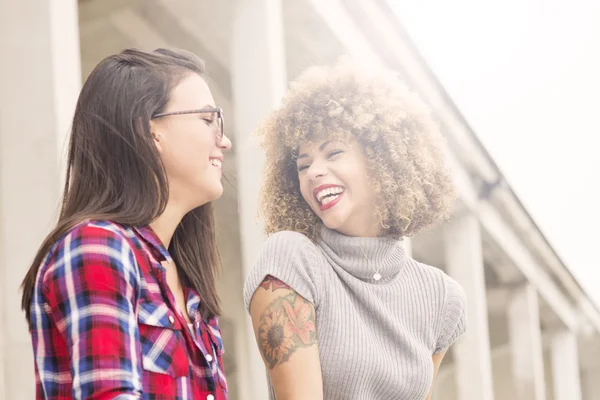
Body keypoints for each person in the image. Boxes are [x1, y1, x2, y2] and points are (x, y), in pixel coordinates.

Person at [244, 60, 467, 400]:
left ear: (384, 159)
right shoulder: (291, 260)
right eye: (303, 165)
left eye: (334, 152)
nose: (314, 172)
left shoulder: (441, 298)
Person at [21, 48, 231, 400]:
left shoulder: (190, 286)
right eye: (208, 120)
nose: (224, 140)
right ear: (150, 131)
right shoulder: (97, 246)